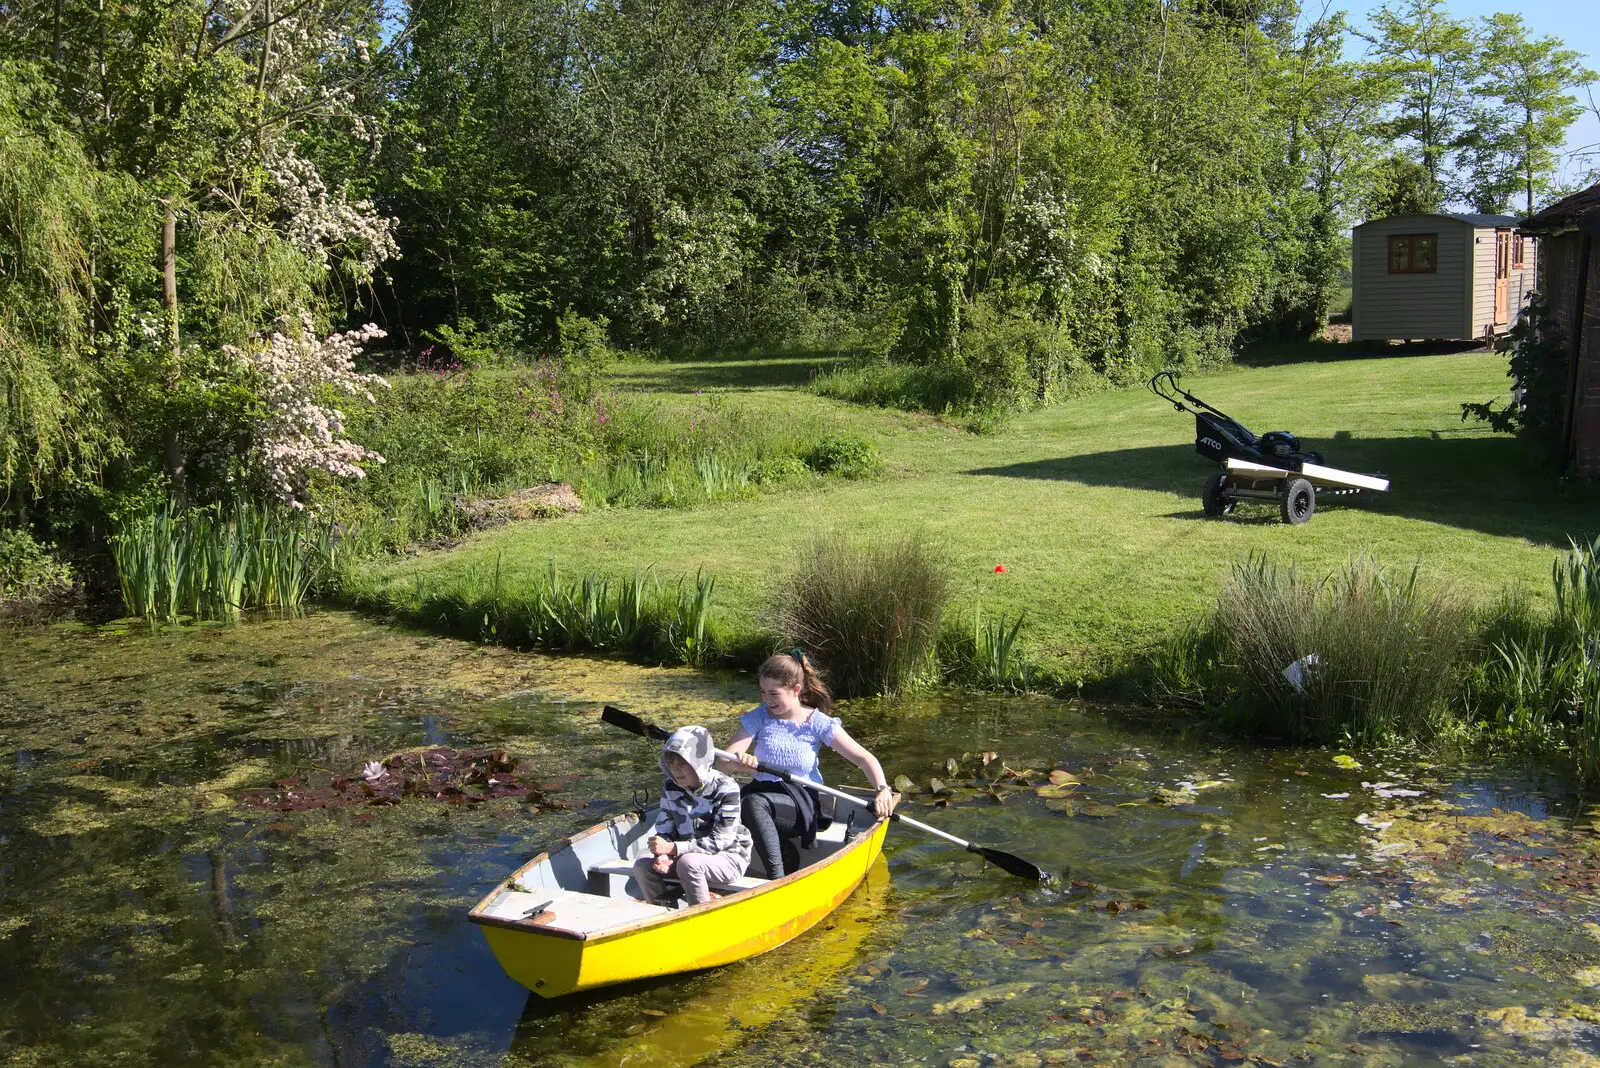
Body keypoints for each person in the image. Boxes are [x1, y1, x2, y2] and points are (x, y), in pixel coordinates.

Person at [722, 650, 897, 879]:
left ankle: (778, 880)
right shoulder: (760, 716)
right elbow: (724, 761)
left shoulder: (817, 723)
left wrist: (882, 789)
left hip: (801, 801)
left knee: (753, 804)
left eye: (774, 693)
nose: (767, 699)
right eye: (763, 692)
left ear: (796, 690)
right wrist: (740, 762)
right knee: (735, 800)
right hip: (763, 793)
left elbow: (865, 759)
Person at [632, 725, 753, 907]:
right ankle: (662, 914)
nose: (676, 770)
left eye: (683, 764)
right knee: (642, 866)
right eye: (671, 764)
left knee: (689, 863)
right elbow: (665, 828)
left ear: (699, 762)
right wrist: (662, 855)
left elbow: (720, 841)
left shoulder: (726, 788)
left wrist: (672, 849)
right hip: (685, 855)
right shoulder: (670, 786)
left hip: (729, 857)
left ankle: (701, 917)